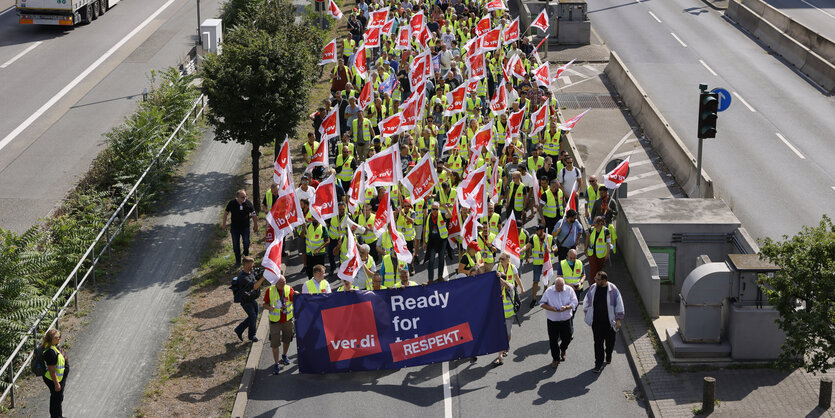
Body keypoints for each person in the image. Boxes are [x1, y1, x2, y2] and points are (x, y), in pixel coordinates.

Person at [583, 271, 624, 373]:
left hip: (609, 323)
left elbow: (619, 304)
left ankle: (608, 354)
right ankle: (598, 363)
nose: (595, 281)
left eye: (598, 279)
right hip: (596, 322)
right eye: (595, 279)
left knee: (610, 343)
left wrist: (618, 319)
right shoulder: (593, 288)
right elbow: (587, 301)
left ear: (604, 280)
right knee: (598, 343)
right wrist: (587, 313)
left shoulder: (613, 290)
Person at [539, 278, 578, 368]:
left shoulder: (569, 290)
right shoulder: (549, 291)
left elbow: (574, 302)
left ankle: (563, 349)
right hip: (553, 321)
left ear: (564, 285)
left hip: (566, 320)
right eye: (557, 287)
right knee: (553, 341)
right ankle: (555, 359)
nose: (559, 289)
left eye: (561, 287)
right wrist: (551, 308)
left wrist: (567, 307)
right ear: (555, 285)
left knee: (567, 338)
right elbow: (542, 303)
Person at [264, 274, 294, 374]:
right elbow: (264, 304)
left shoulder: (289, 289)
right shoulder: (270, 290)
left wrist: (297, 294)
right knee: (275, 344)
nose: (284, 283)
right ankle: (276, 364)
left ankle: (284, 355)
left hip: (287, 320)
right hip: (275, 322)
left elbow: (295, 300)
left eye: (285, 281)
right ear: (276, 282)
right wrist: (269, 307)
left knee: (287, 339)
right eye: (281, 282)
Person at [493, 271, 523, 366]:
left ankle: (506, 346)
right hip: (499, 316)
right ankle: (500, 356)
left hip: (509, 315)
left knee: (507, 334)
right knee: (500, 335)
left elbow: (508, 286)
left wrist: (500, 278)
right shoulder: (495, 289)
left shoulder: (509, 287)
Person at [233, 256, 266, 342]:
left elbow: (255, 276)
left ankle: (239, 329)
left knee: (253, 316)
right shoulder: (243, 277)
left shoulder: (250, 272)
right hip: (246, 301)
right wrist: (263, 278)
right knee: (253, 316)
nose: (253, 265)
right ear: (246, 265)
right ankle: (252, 336)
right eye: (251, 264)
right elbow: (255, 286)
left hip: (251, 298)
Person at [223, 189, 258, 266]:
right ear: (237, 197)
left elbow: (254, 214)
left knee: (246, 242)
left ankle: (246, 256)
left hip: (245, 227)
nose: (244, 198)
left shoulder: (248, 203)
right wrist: (224, 224)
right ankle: (238, 261)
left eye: (245, 196)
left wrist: (255, 225)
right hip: (235, 228)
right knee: (236, 245)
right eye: (242, 197)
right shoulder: (232, 203)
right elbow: (226, 213)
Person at [523, 225, 553, 308]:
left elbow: (555, 248)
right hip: (537, 264)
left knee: (546, 281)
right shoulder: (534, 238)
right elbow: (527, 246)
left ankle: (545, 294)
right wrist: (519, 251)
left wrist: (551, 250)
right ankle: (534, 299)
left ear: (542, 230)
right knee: (535, 281)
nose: (536, 232)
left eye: (537, 230)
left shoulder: (549, 237)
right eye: (536, 231)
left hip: (546, 263)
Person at [41, 328, 68, 418]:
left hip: (57, 378)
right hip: (53, 380)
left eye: (60, 336)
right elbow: (51, 370)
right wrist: (56, 384)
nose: (59, 338)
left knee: (57, 398)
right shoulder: (50, 352)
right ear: (51, 339)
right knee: (56, 399)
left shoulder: (53, 346)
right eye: (57, 337)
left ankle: (58, 416)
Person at [423, 202, 449, 283]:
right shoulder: (428, 217)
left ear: (439, 209)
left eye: (436, 209)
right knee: (431, 260)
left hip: (441, 241)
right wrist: (424, 241)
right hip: (432, 241)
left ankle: (440, 276)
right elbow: (425, 229)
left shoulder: (442, 214)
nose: (434, 211)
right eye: (433, 209)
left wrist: (447, 208)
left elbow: (450, 215)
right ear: (431, 209)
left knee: (441, 259)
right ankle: (430, 279)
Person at [586, 216, 611, 284]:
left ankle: (599, 284)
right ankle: (593, 285)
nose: (593, 223)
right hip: (591, 253)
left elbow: (608, 243)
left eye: (594, 222)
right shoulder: (591, 229)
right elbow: (587, 239)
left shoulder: (606, 231)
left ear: (600, 223)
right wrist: (585, 249)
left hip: (601, 254)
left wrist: (607, 254)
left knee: (599, 271)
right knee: (593, 270)